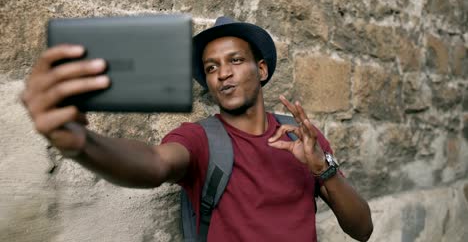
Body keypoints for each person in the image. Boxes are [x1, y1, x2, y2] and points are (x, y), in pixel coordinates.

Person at [21, 16, 373, 241]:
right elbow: (156, 163)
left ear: (261, 70)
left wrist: (322, 169)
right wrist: (81, 143)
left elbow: (362, 229)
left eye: (235, 60)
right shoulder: (201, 138)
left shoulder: (301, 137)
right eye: (211, 67)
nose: (223, 73)